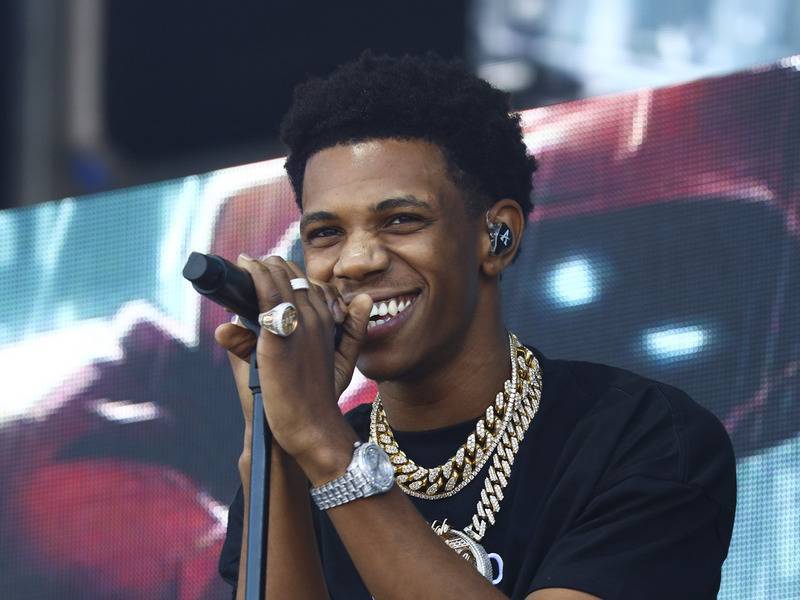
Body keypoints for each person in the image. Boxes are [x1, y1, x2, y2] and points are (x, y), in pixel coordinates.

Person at [215, 53, 736, 599]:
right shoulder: (301, 456)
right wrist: (275, 443)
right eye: (326, 233)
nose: (356, 261)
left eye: (401, 220)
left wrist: (325, 447)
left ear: (496, 237)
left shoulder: (644, 438)